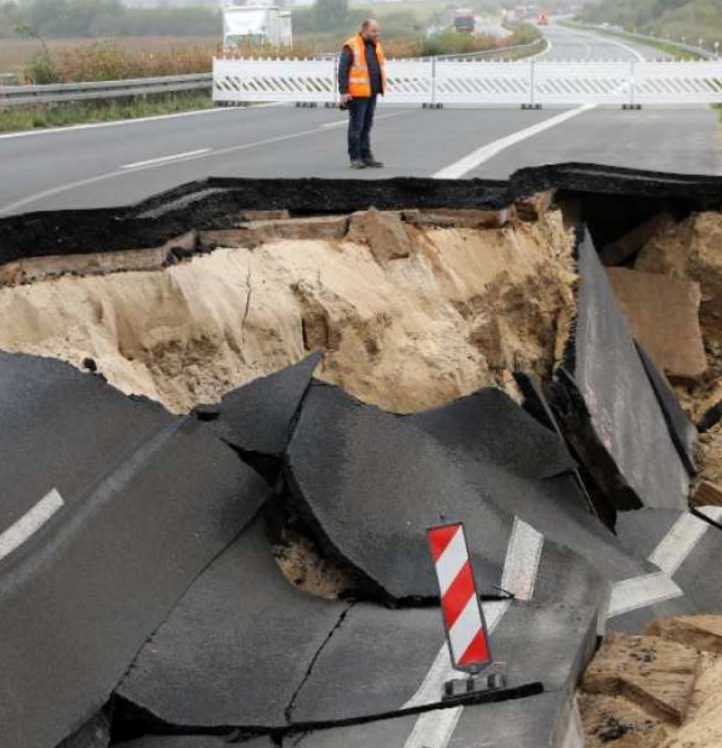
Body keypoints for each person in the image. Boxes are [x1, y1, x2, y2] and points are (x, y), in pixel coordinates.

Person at [338, 19, 386, 170]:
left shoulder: (375, 45)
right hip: (357, 94)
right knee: (356, 127)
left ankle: (366, 156)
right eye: (373, 31)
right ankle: (355, 158)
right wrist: (344, 92)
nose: (376, 33)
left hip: (371, 92)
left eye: (377, 31)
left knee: (366, 126)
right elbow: (342, 70)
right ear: (364, 30)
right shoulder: (351, 45)